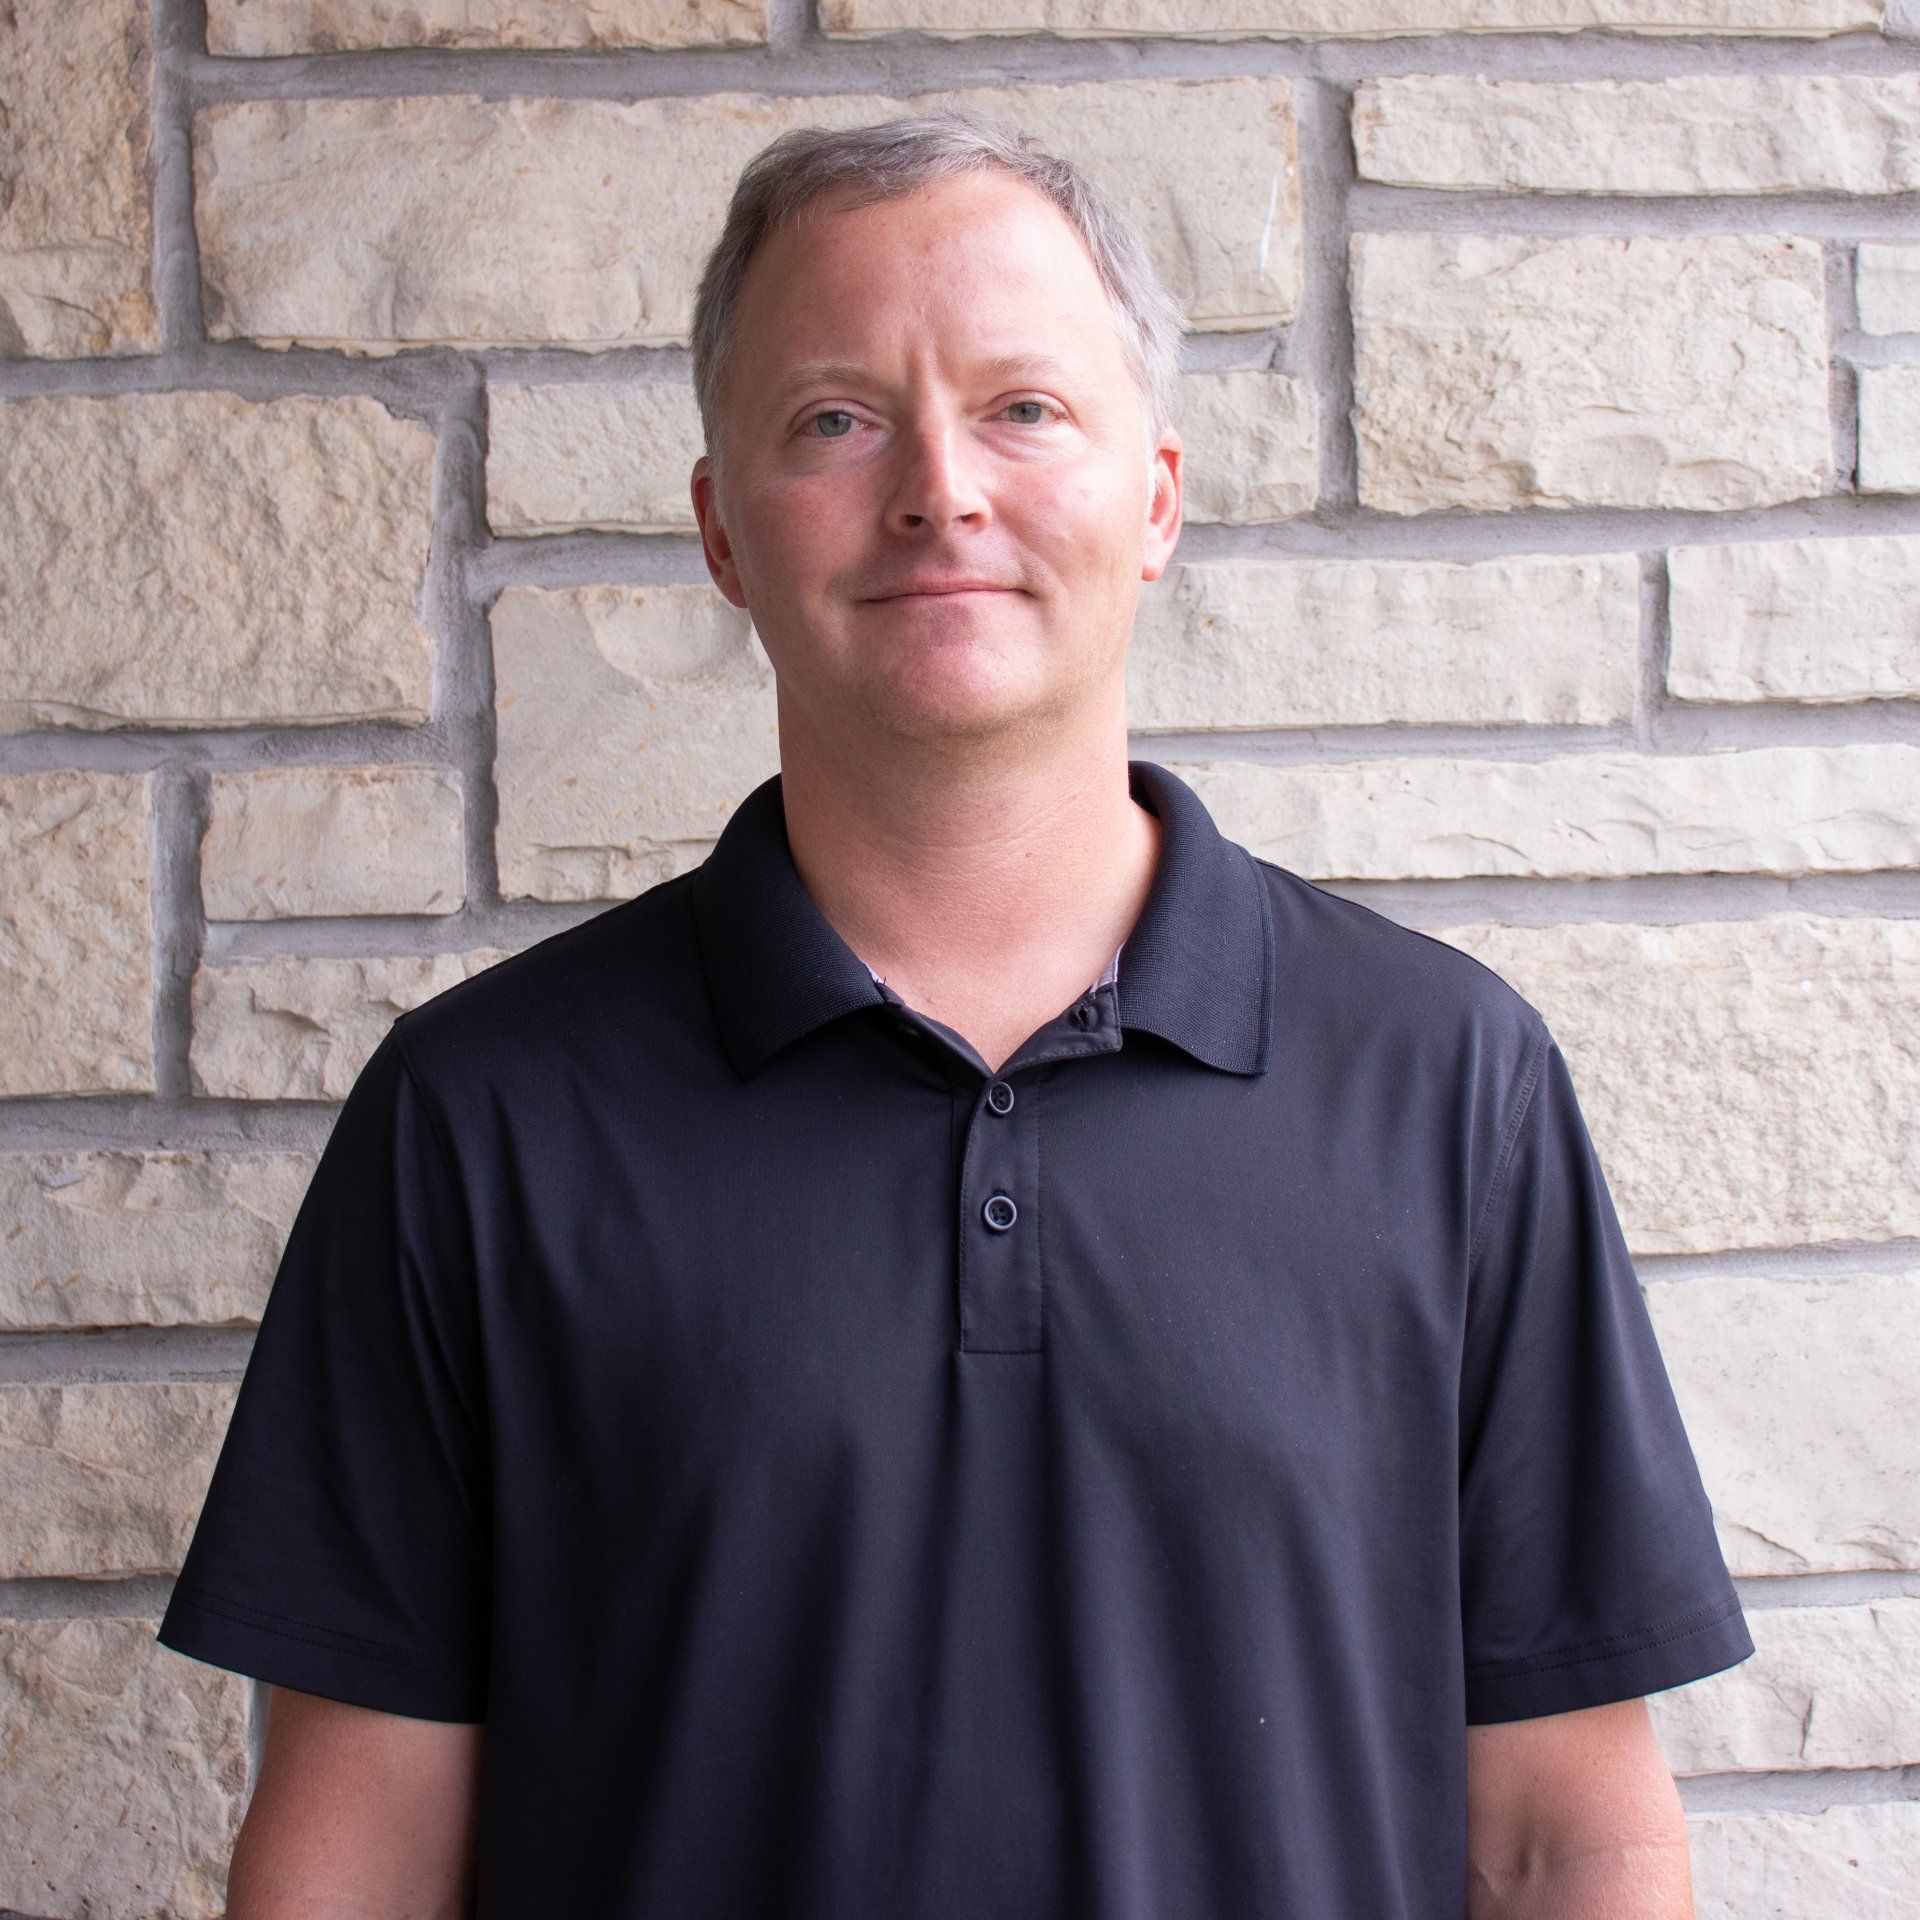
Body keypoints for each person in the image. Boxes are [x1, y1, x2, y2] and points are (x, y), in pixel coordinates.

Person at [158, 112, 1754, 1918]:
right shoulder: (483, 1119)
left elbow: (1571, 1834)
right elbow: (352, 1858)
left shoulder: (1450, 1088)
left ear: (1155, 496)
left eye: (1023, 407)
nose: (941, 488)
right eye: (835, 419)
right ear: (722, 531)